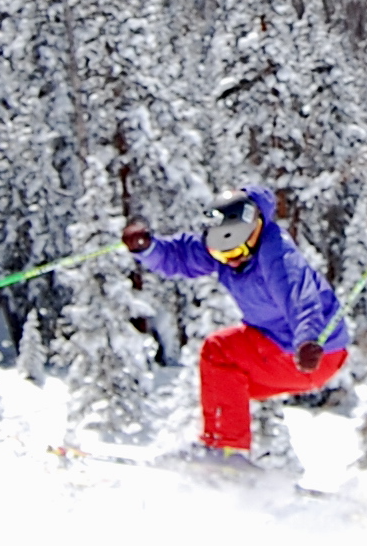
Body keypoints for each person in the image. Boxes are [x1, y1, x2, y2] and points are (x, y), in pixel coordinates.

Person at [123, 184, 347, 457]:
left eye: (234, 254)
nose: (230, 262)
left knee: (220, 351)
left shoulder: (278, 257)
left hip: (312, 353)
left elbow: (301, 300)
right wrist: (148, 248)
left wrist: (308, 340)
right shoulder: (227, 240)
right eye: (221, 256)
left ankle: (226, 448)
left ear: (253, 236)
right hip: (280, 345)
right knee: (223, 382)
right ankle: (229, 454)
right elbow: (182, 256)